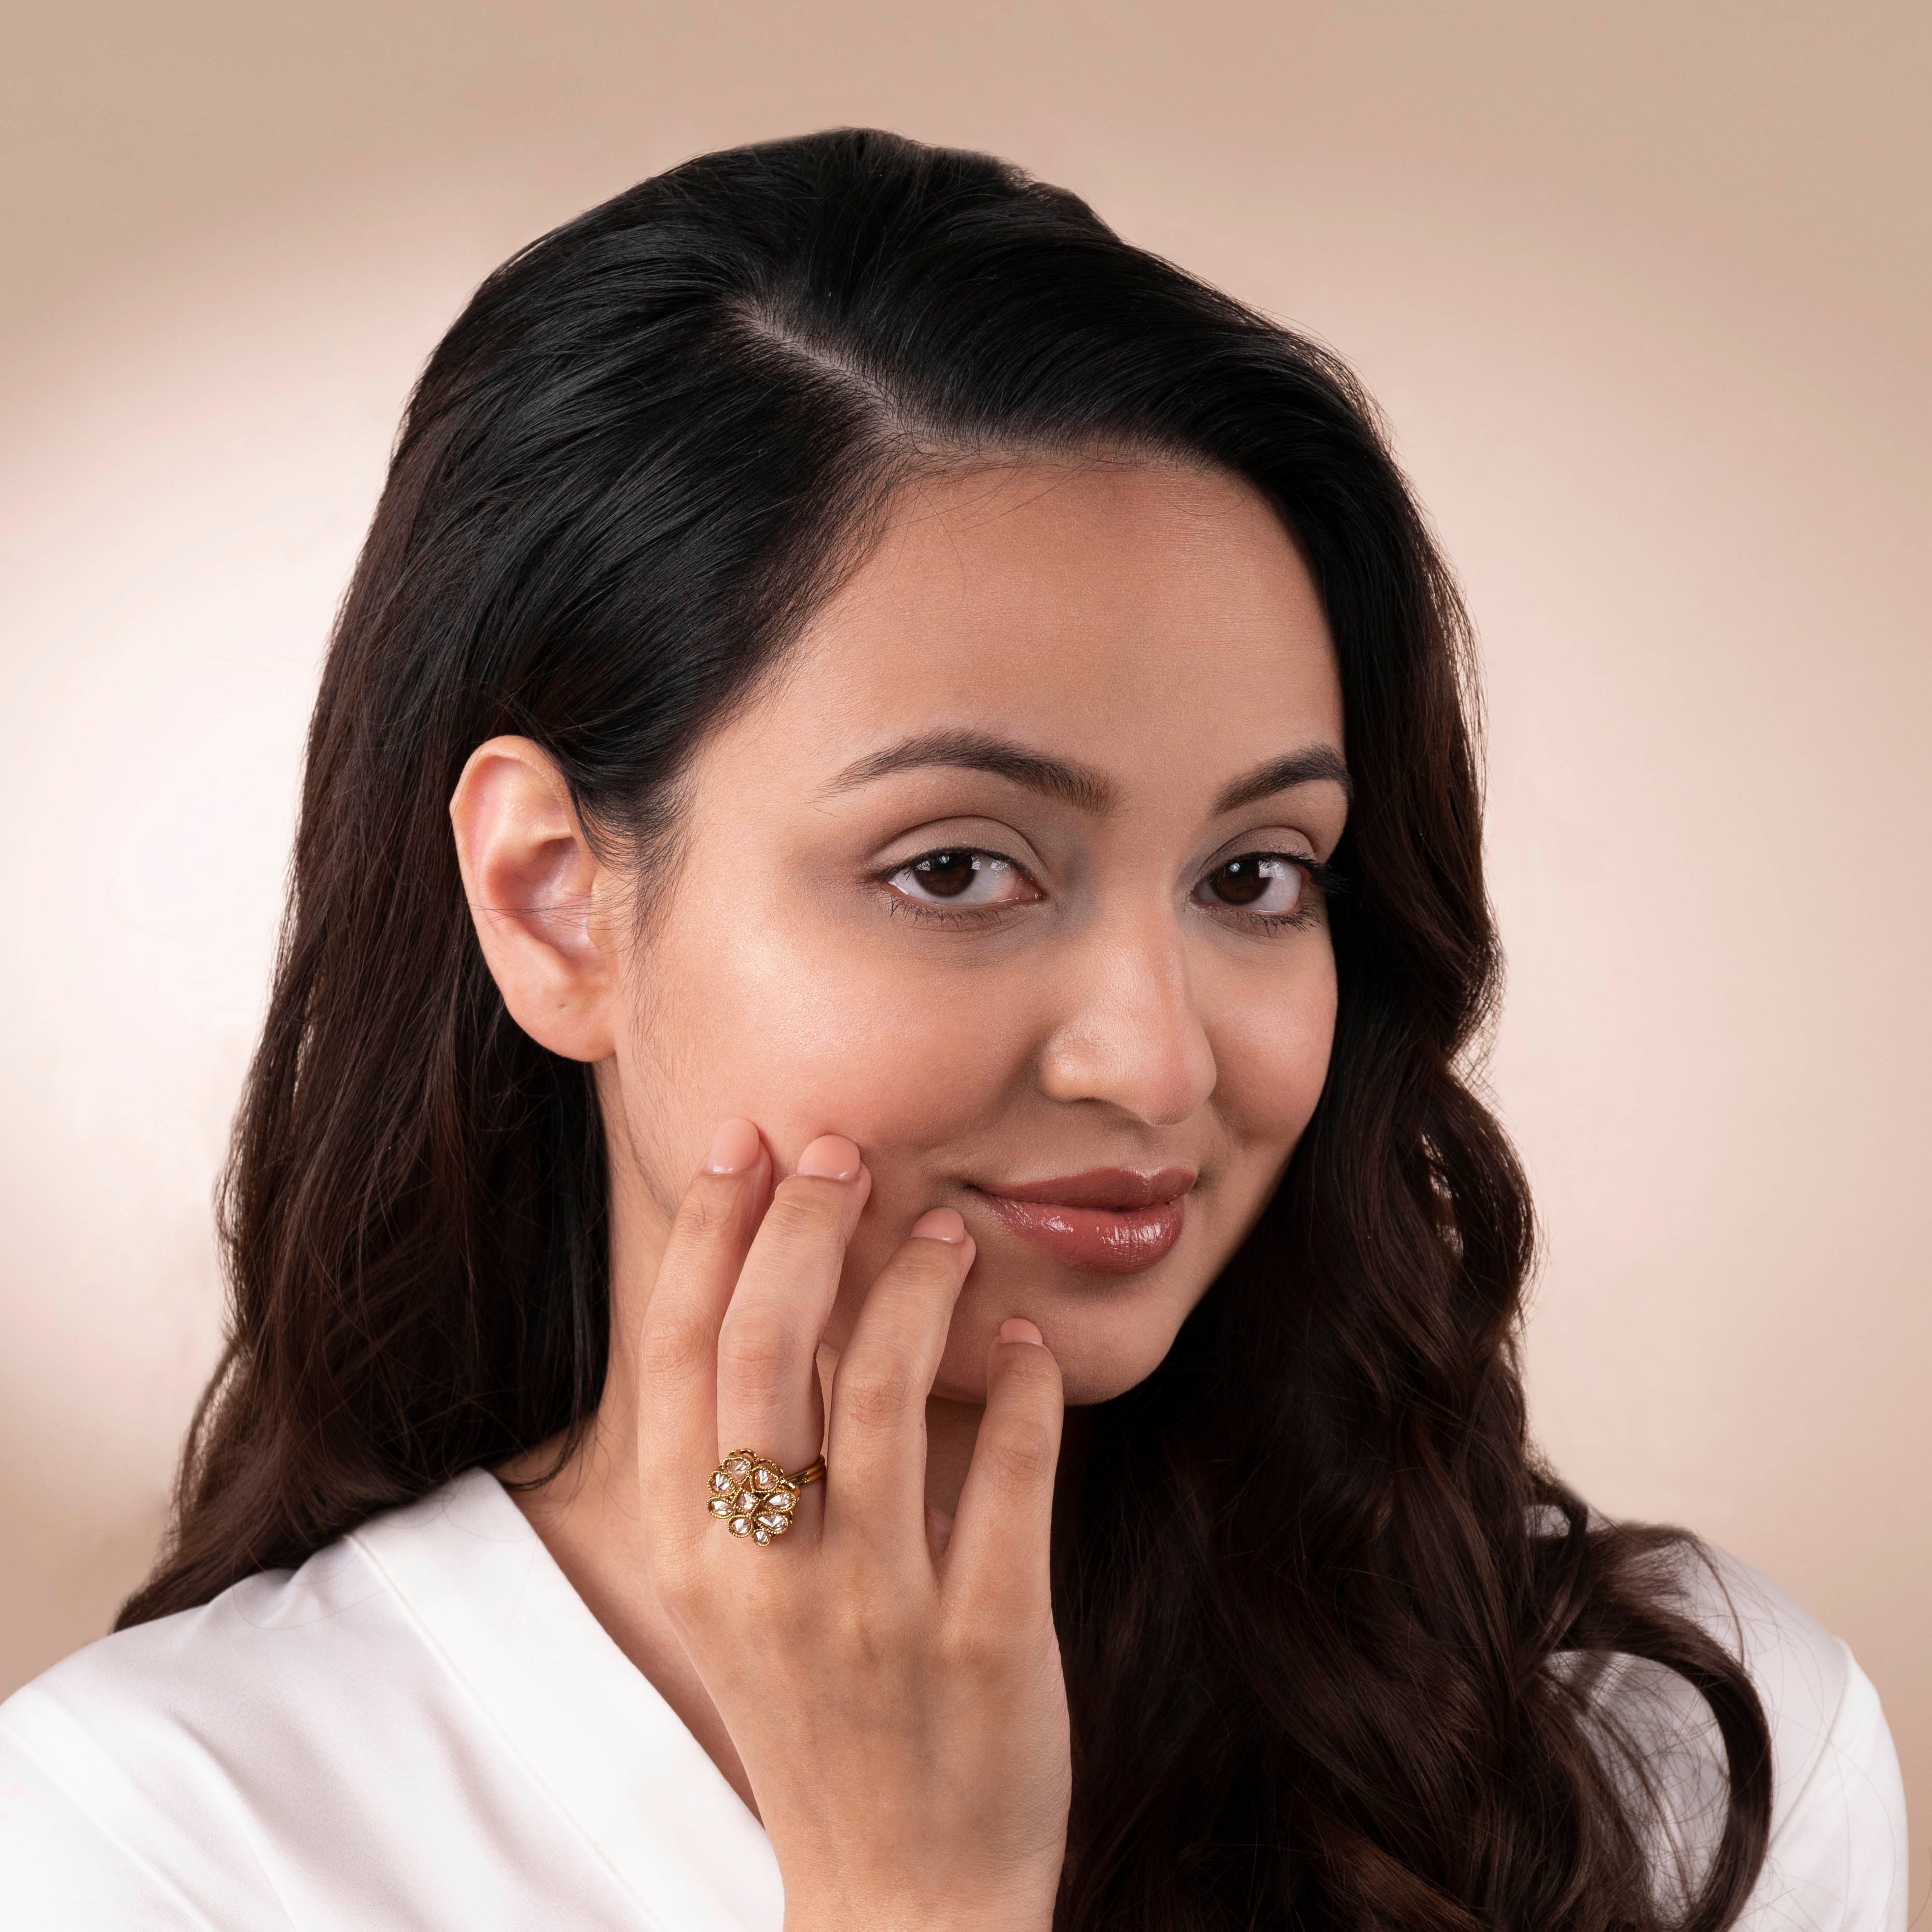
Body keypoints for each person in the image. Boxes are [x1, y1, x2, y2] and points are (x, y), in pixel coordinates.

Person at [0, 128, 1906, 1930]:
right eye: (958, 869)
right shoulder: (157, 1835)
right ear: (551, 898)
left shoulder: (1666, 1751)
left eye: (1255, 876)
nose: (1156, 1065)